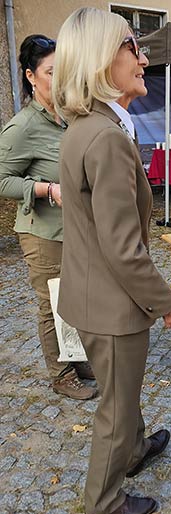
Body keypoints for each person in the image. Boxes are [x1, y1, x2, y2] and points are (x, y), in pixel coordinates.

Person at [53, 7, 171, 514]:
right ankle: (104, 501)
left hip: (95, 294)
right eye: (131, 45)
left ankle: (134, 452)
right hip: (112, 303)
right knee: (115, 405)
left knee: (123, 391)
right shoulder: (107, 137)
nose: (142, 55)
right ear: (98, 60)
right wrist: (168, 302)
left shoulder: (91, 126)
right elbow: (123, 246)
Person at [0, 35, 97, 401]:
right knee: (51, 304)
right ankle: (60, 374)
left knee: (74, 299)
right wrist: (45, 189)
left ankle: (76, 358)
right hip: (43, 232)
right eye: (51, 72)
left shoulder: (67, 117)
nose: (60, 80)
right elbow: (2, 179)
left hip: (74, 228)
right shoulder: (22, 127)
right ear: (30, 76)